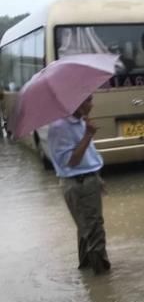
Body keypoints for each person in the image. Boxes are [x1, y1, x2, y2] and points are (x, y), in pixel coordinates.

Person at [47, 95, 111, 275]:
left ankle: (88, 273)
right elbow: (71, 161)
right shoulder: (60, 127)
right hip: (78, 183)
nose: (92, 104)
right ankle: (103, 286)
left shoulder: (80, 121)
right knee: (94, 231)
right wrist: (88, 135)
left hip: (87, 180)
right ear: (74, 102)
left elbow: (88, 156)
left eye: (91, 99)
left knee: (86, 229)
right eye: (87, 100)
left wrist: (96, 178)